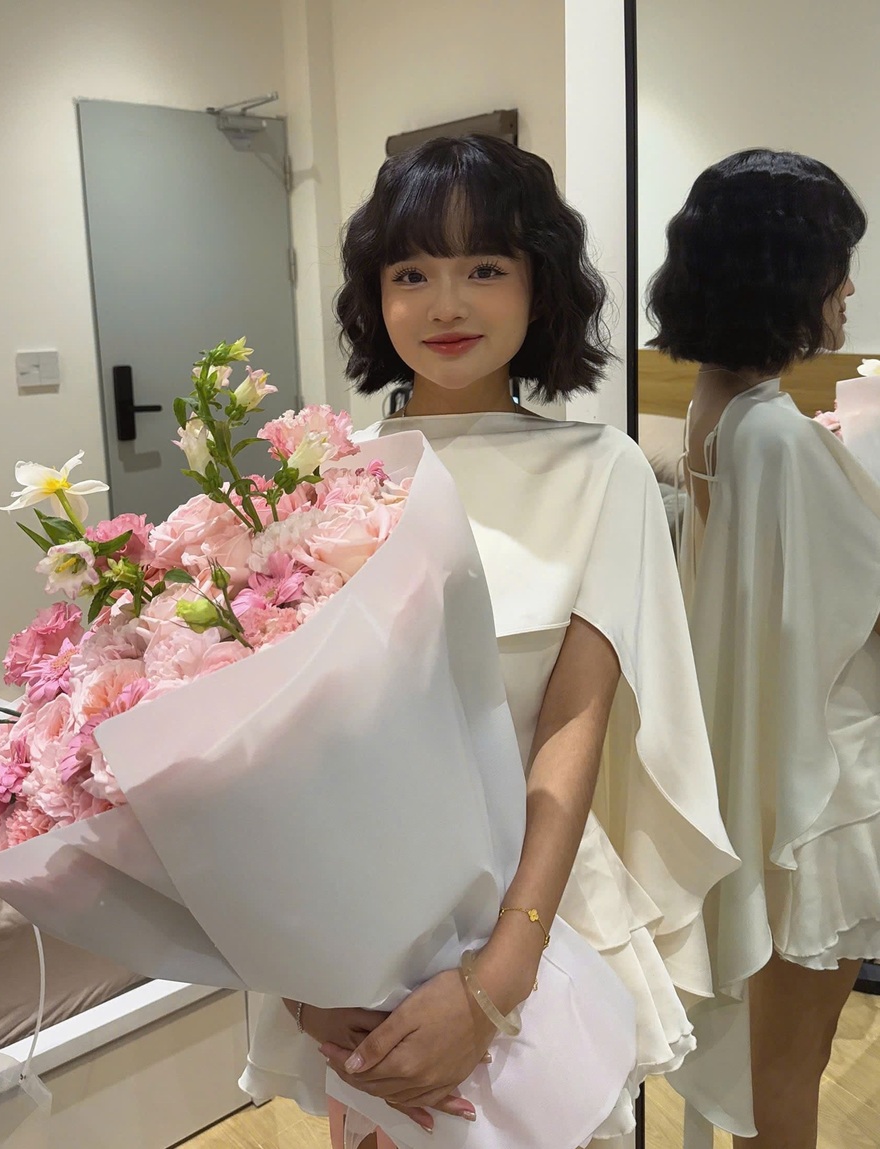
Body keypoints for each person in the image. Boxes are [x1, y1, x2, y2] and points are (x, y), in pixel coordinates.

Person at [241, 134, 738, 1148]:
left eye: (484, 268)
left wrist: (498, 978)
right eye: (410, 273)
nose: (445, 305)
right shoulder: (323, 478)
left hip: (538, 912)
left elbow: (572, 727)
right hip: (357, 933)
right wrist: (304, 975)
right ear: (375, 296)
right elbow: (277, 750)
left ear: (538, 284)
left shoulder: (599, 469)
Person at [647, 148, 880, 1149]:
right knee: (789, 1073)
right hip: (820, 796)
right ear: (787, 273)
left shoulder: (717, 406)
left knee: (769, 1068)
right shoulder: (777, 436)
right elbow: (853, 610)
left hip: (780, 781)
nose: (848, 290)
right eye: (837, 265)